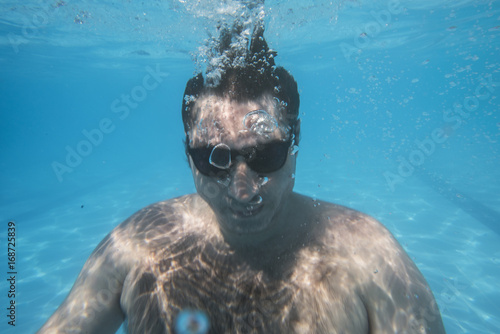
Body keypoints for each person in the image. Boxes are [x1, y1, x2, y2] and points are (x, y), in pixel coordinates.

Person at [38, 23, 446, 334]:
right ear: (187, 152)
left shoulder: (368, 255)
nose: (242, 189)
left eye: (264, 155)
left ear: (295, 139)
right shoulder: (137, 245)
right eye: (214, 159)